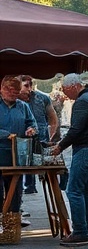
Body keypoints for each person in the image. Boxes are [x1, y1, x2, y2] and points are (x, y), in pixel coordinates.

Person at [53, 74, 88, 246]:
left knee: (73, 190)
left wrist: (60, 146)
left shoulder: (83, 101)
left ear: (74, 86)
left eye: (65, 88)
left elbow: (76, 129)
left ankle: (81, 232)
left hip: (85, 150)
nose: (64, 92)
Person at [0, 75, 38, 226]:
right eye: (9, 90)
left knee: (15, 190)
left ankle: (12, 221)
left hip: (16, 155)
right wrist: (5, 135)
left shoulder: (23, 106)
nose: (12, 94)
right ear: (1, 89)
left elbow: (33, 123)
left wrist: (31, 130)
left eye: (16, 91)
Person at [18, 75, 59, 197]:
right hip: (21, 140)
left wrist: (51, 136)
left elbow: (53, 118)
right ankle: (28, 186)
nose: (29, 89)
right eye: (26, 85)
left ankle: (44, 185)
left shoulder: (42, 98)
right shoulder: (14, 101)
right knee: (22, 163)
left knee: (43, 166)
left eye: (31, 85)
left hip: (41, 138)